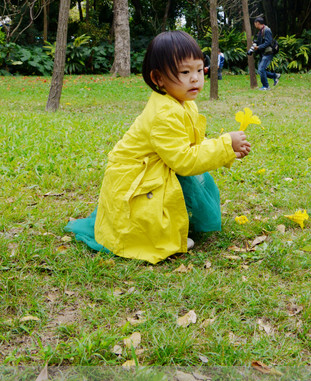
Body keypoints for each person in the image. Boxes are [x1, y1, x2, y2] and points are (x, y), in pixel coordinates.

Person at [65, 31, 251, 264]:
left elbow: (190, 146)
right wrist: (225, 144)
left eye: (199, 69)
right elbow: (185, 160)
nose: (195, 78)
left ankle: (172, 226)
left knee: (190, 182)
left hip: (157, 165)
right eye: (185, 72)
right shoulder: (164, 112)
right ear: (158, 78)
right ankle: (159, 237)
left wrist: (228, 150)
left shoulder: (182, 103)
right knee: (161, 197)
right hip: (136, 176)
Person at [251, 15, 280, 91]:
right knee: (261, 70)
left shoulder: (267, 30)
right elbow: (261, 41)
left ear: (257, 23)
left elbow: (268, 42)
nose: (254, 25)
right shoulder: (261, 31)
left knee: (261, 69)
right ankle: (275, 76)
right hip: (263, 53)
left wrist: (258, 47)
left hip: (268, 53)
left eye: (255, 23)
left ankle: (266, 86)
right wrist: (254, 42)